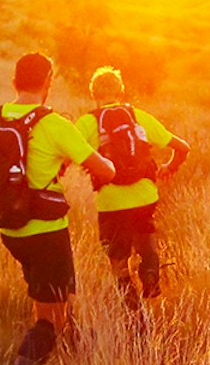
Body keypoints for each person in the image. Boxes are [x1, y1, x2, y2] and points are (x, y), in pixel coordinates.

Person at [0, 51, 114, 365]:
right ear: (48, 83)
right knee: (50, 322)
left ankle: (68, 358)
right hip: (47, 235)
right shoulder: (54, 124)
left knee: (51, 299)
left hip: (11, 233)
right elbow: (105, 170)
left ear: (14, 81)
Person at [75, 66, 189, 322]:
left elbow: (66, 155)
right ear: (121, 91)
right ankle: (149, 273)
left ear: (93, 94)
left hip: (111, 201)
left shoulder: (87, 122)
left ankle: (134, 311)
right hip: (145, 195)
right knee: (144, 231)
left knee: (118, 260)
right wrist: (169, 167)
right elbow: (183, 147)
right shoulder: (138, 116)